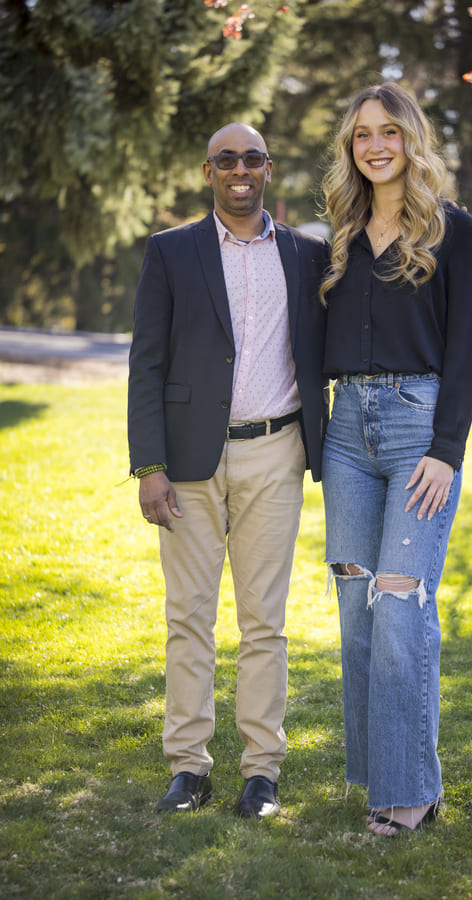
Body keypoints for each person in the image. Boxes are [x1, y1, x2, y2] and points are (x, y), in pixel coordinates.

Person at [128, 123, 329, 818]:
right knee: (188, 617)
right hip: (186, 461)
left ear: (267, 169)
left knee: (264, 622)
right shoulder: (171, 250)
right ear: (208, 170)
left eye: (250, 158)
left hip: (277, 451)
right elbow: (146, 362)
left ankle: (261, 772)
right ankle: (189, 767)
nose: (238, 169)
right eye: (225, 160)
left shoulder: (307, 253)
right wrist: (149, 465)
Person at [319, 83, 472, 837]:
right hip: (346, 433)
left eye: (388, 131)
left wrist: (447, 451)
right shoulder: (341, 235)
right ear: (350, 150)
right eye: (361, 136)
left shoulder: (453, 231)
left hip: (420, 432)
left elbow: (466, 349)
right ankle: (378, 781)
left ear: (410, 140)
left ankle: (412, 788)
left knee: (400, 602)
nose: (375, 145)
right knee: (358, 607)